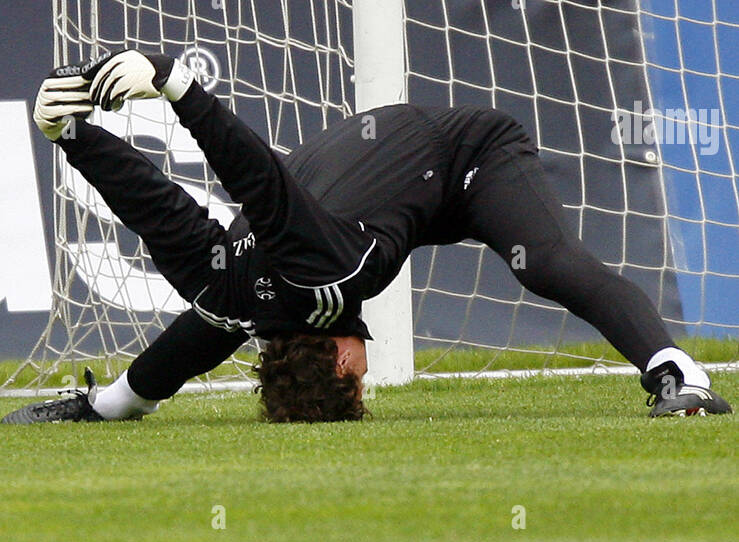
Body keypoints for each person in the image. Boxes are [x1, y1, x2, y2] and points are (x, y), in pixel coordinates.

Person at [3, 48, 731, 425]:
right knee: (532, 261)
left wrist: (176, 84)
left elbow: (255, 175)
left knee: (542, 261)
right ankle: (675, 376)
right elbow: (140, 373)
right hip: (393, 188)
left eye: (358, 377)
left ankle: (681, 377)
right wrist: (69, 134)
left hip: (468, 158)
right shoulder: (222, 298)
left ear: (343, 363)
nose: (365, 363)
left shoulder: (321, 277)